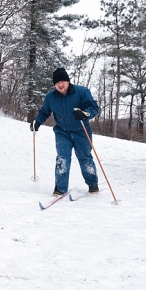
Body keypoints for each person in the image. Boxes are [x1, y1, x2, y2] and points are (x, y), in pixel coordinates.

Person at [30, 68, 99, 196]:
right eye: (57, 83)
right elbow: (44, 112)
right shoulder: (51, 97)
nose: (60, 85)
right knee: (62, 158)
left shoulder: (82, 92)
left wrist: (85, 113)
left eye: (62, 81)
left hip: (81, 131)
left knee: (85, 157)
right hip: (62, 132)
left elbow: (94, 107)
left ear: (67, 81)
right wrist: (37, 122)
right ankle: (60, 188)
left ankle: (92, 183)